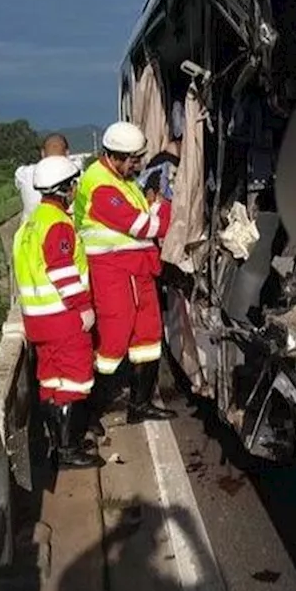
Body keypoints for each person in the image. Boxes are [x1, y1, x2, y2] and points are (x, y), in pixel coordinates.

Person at [74, 121, 178, 425]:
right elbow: (146, 225)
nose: (138, 164)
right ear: (114, 156)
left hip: (136, 270)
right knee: (112, 343)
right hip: (113, 274)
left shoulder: (122, 179)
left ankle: (140, 404)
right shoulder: (102, 187)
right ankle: (90, 411)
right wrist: (164, 208)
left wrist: (152, 207)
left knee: (147, 337)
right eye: (133, 159)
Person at [11, 155, 104, 470]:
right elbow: (62, 270)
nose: (76, 189)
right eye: (74, 185)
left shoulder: (29, 224)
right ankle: (68, 449)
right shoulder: (59, 225)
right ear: (65, 189)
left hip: (37, 321)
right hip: (63, 319)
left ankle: (55, 444)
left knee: (51, 381)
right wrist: (84, 307)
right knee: (75, 382)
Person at [16, 133, 75, 222]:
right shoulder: (77, 175)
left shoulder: (23, 173)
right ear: (67, 153)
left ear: (43, 153)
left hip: (29, 231)